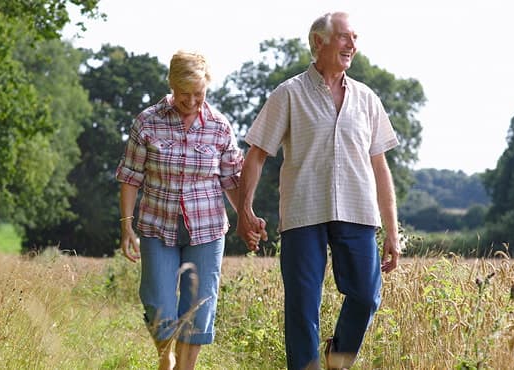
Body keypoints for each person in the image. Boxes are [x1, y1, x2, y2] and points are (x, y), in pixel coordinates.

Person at [236, 11, 402, 370]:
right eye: (344, 37)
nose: (352, 44)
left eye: (354, 37)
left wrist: (392, 229)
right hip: (303, 212)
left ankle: (337, 358)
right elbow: (258, 153)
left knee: (365, 296)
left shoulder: (367, 98)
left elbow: (380, 166)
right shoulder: (289, 93)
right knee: (302, 305)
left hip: (357, 211)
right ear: (318, 42)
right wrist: (244, 209)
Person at [116, 50, 261, 370]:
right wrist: (127, 226)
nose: (193, 101)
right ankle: (164, 354)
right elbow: (130, 177)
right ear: (171, 85)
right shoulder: (147, 121)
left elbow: (230, 180)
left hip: (207, 229)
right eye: (185, 94)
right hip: (157, 225)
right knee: (158, 303)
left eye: (200, 94)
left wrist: (245, 216)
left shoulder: (220, 127)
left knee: (199, 306)